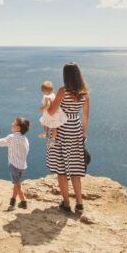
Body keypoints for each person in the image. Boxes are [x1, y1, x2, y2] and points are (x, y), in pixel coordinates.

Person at [46, 62, 90, 214]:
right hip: (76, 128)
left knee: (62, 169)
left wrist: (50, 103)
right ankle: (79, 203)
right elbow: (85, 116)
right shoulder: (84, 92)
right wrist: (83, 132)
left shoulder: (62, 91)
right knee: (76, 168)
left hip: (63, 128)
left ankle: (66, 203)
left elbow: (52, 112)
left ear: (66, 76)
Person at [0, 117, 30, 209]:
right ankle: (12, 202)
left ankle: (23, 202)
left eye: (14, 123)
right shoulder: (25, 139)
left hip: (14, 166)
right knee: (16, 184)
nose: (12, 124)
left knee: (18, 186)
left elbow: (1, 143)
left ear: (18, 128)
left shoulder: (12, 137)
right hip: (23, 166)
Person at [38, 80, 66, 146]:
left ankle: (45, 133)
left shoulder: (46, 97)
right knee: (54, 127)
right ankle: (53, 139)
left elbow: (48, 105)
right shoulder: (53, 95)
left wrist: (42, 108)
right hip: (55, 114)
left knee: (45, 123)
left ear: (43, 91)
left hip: (48, 113)